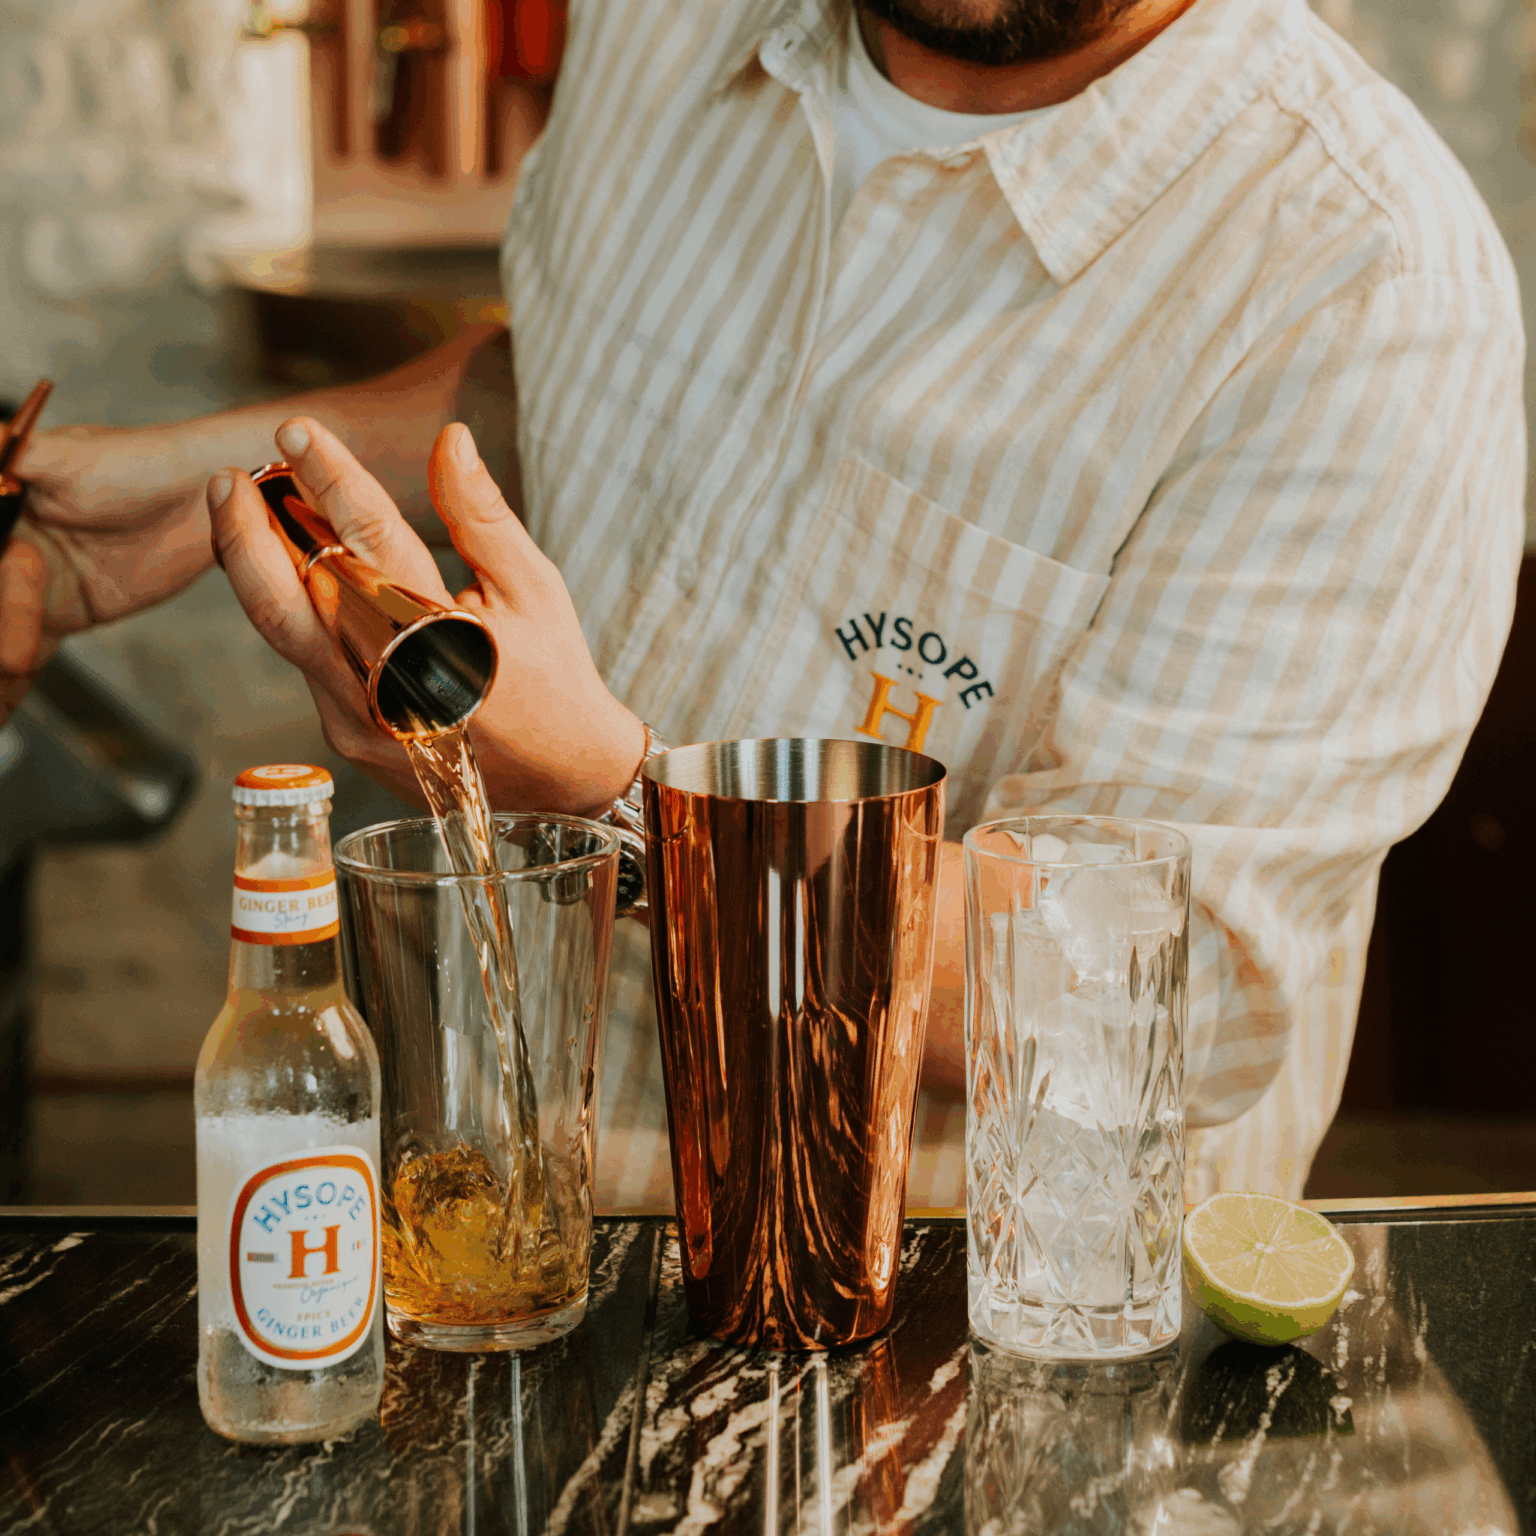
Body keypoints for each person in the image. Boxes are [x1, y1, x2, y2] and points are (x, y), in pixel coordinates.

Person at [0, 0, 1523, 1204]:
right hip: (496, 1222)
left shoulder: (1367, 293)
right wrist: (180, 494)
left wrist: (614, 799)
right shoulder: (665, 23)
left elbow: (1130, 987)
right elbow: (594, 386)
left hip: (963, 1371)